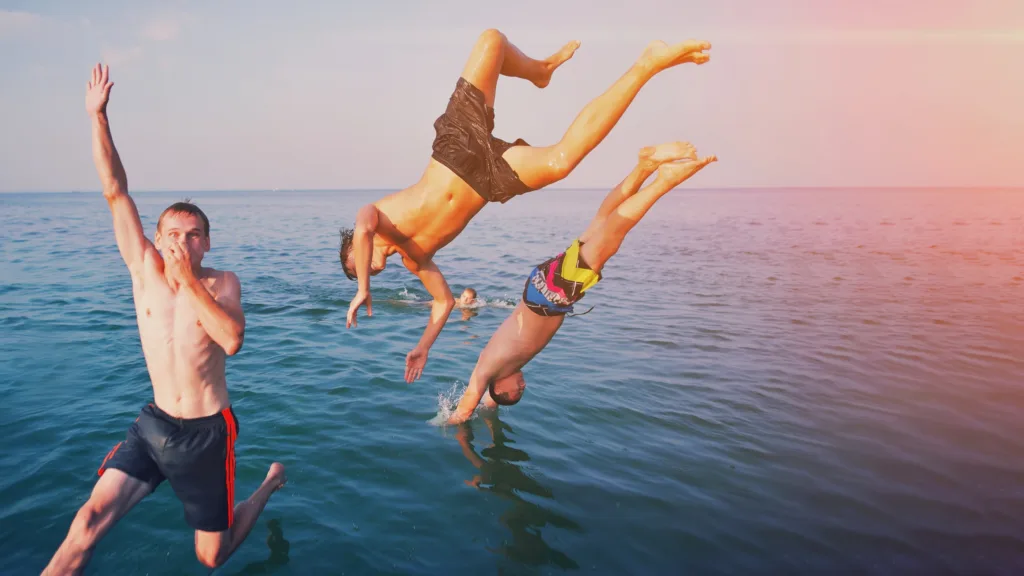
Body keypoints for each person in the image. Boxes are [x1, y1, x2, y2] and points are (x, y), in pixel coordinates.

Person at [339, 28, 711, 384]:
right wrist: (423, 347)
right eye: (362, 273)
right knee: (562, 161)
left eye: (357, 262)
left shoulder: (376, 217)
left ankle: (539, 71)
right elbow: (444, 302)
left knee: (492, 40)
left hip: (455, 149)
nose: (366, 266)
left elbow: (364, 226)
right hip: (487, 181)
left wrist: (363, 290)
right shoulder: (414, 260)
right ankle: (648, 64)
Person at [43, 64, 286, 575]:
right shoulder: (143, 267)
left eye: (194, 234)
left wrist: (190, 281)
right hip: (154, 424)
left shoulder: (222, 283)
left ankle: (267, 485)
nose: (183, 241)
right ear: (157, 237)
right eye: (172, 233)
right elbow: (115, 190)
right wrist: (97, 116)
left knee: (211, 557)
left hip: (205, 434)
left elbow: (233, 339)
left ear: (207, 243)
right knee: (86, 523)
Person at [446, 141, 717, 424]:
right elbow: (490, 400)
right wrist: (489, 413)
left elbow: (468, 405)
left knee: (611, 236)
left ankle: (663, 182)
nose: (523, 388)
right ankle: (644, 166)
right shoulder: (501, 369)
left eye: (517, 393)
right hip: (539, 287)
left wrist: (449, 423)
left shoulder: (486, 371)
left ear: (501, 387)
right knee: (601, 223)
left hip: (549, 297)